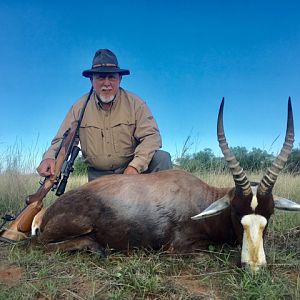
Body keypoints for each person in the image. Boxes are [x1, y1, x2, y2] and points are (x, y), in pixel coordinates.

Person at [37, 49, 172, 181]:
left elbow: (152, 137)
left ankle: (166, 203)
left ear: (120, 79)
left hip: (131, 171)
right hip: (99, 176)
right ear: (91, 80)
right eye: (101, 77)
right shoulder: (79, 107)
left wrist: (135, 167)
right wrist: (49, 157)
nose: (106, 83)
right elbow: (62, 139)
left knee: (162, 158)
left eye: (112, 77)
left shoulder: (136, 103)